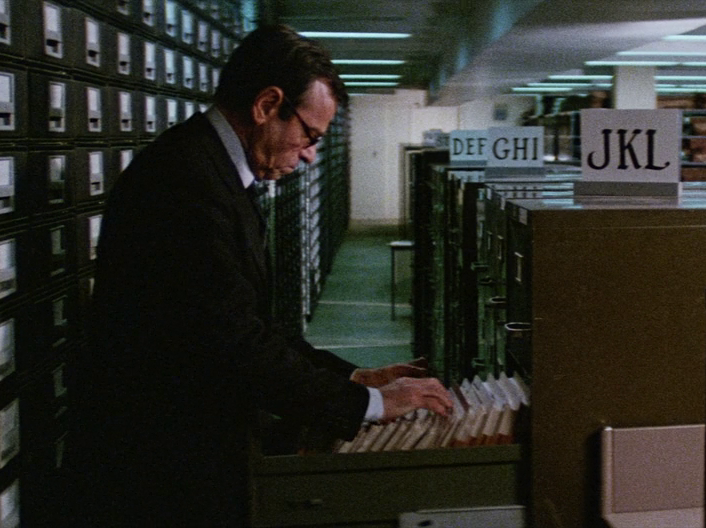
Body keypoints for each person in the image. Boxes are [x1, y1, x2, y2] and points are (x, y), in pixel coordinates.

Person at [64, 24, 454, 527]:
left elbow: (252, 322)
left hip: (183, 453)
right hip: (157, 470)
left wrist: (353, 378)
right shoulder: (184, 184)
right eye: (310, 135)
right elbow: (230, 342)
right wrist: (370, 404)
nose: (310, 154)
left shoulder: (212, 170)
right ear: (267, 105)